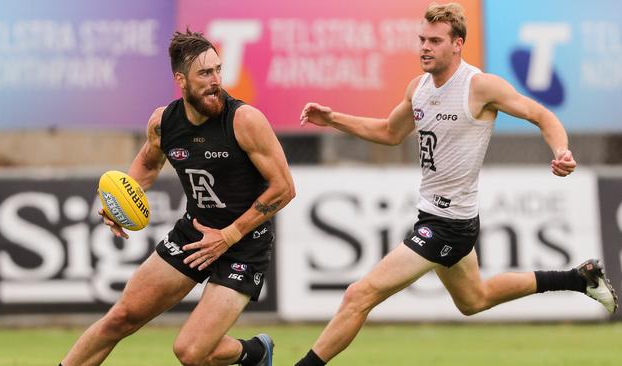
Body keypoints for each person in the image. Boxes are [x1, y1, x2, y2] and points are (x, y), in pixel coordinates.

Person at [294, 3, 618, 365]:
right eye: (421, 39)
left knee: (360, 294)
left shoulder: (479, 87)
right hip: (435, 216)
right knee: (473, 300)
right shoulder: (417, 87)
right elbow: (389, 131)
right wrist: (333, 118)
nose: (424, 48)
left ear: (458, 44)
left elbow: (541, 114)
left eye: (435, 40)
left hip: (449, 226)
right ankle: (578, 279)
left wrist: (563, 151)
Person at [59, 29, 295, 366]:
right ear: (181, 80)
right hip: (194, 234)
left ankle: (253, 353)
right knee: (120, 318)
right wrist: (121, 199)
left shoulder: (245, 120)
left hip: (244, 243)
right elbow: (148, 163)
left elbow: (284, 187)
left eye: (218, 70)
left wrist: (228, 236)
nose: (216, 81)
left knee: (190, 352)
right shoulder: (164, 122)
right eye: (204, 73)